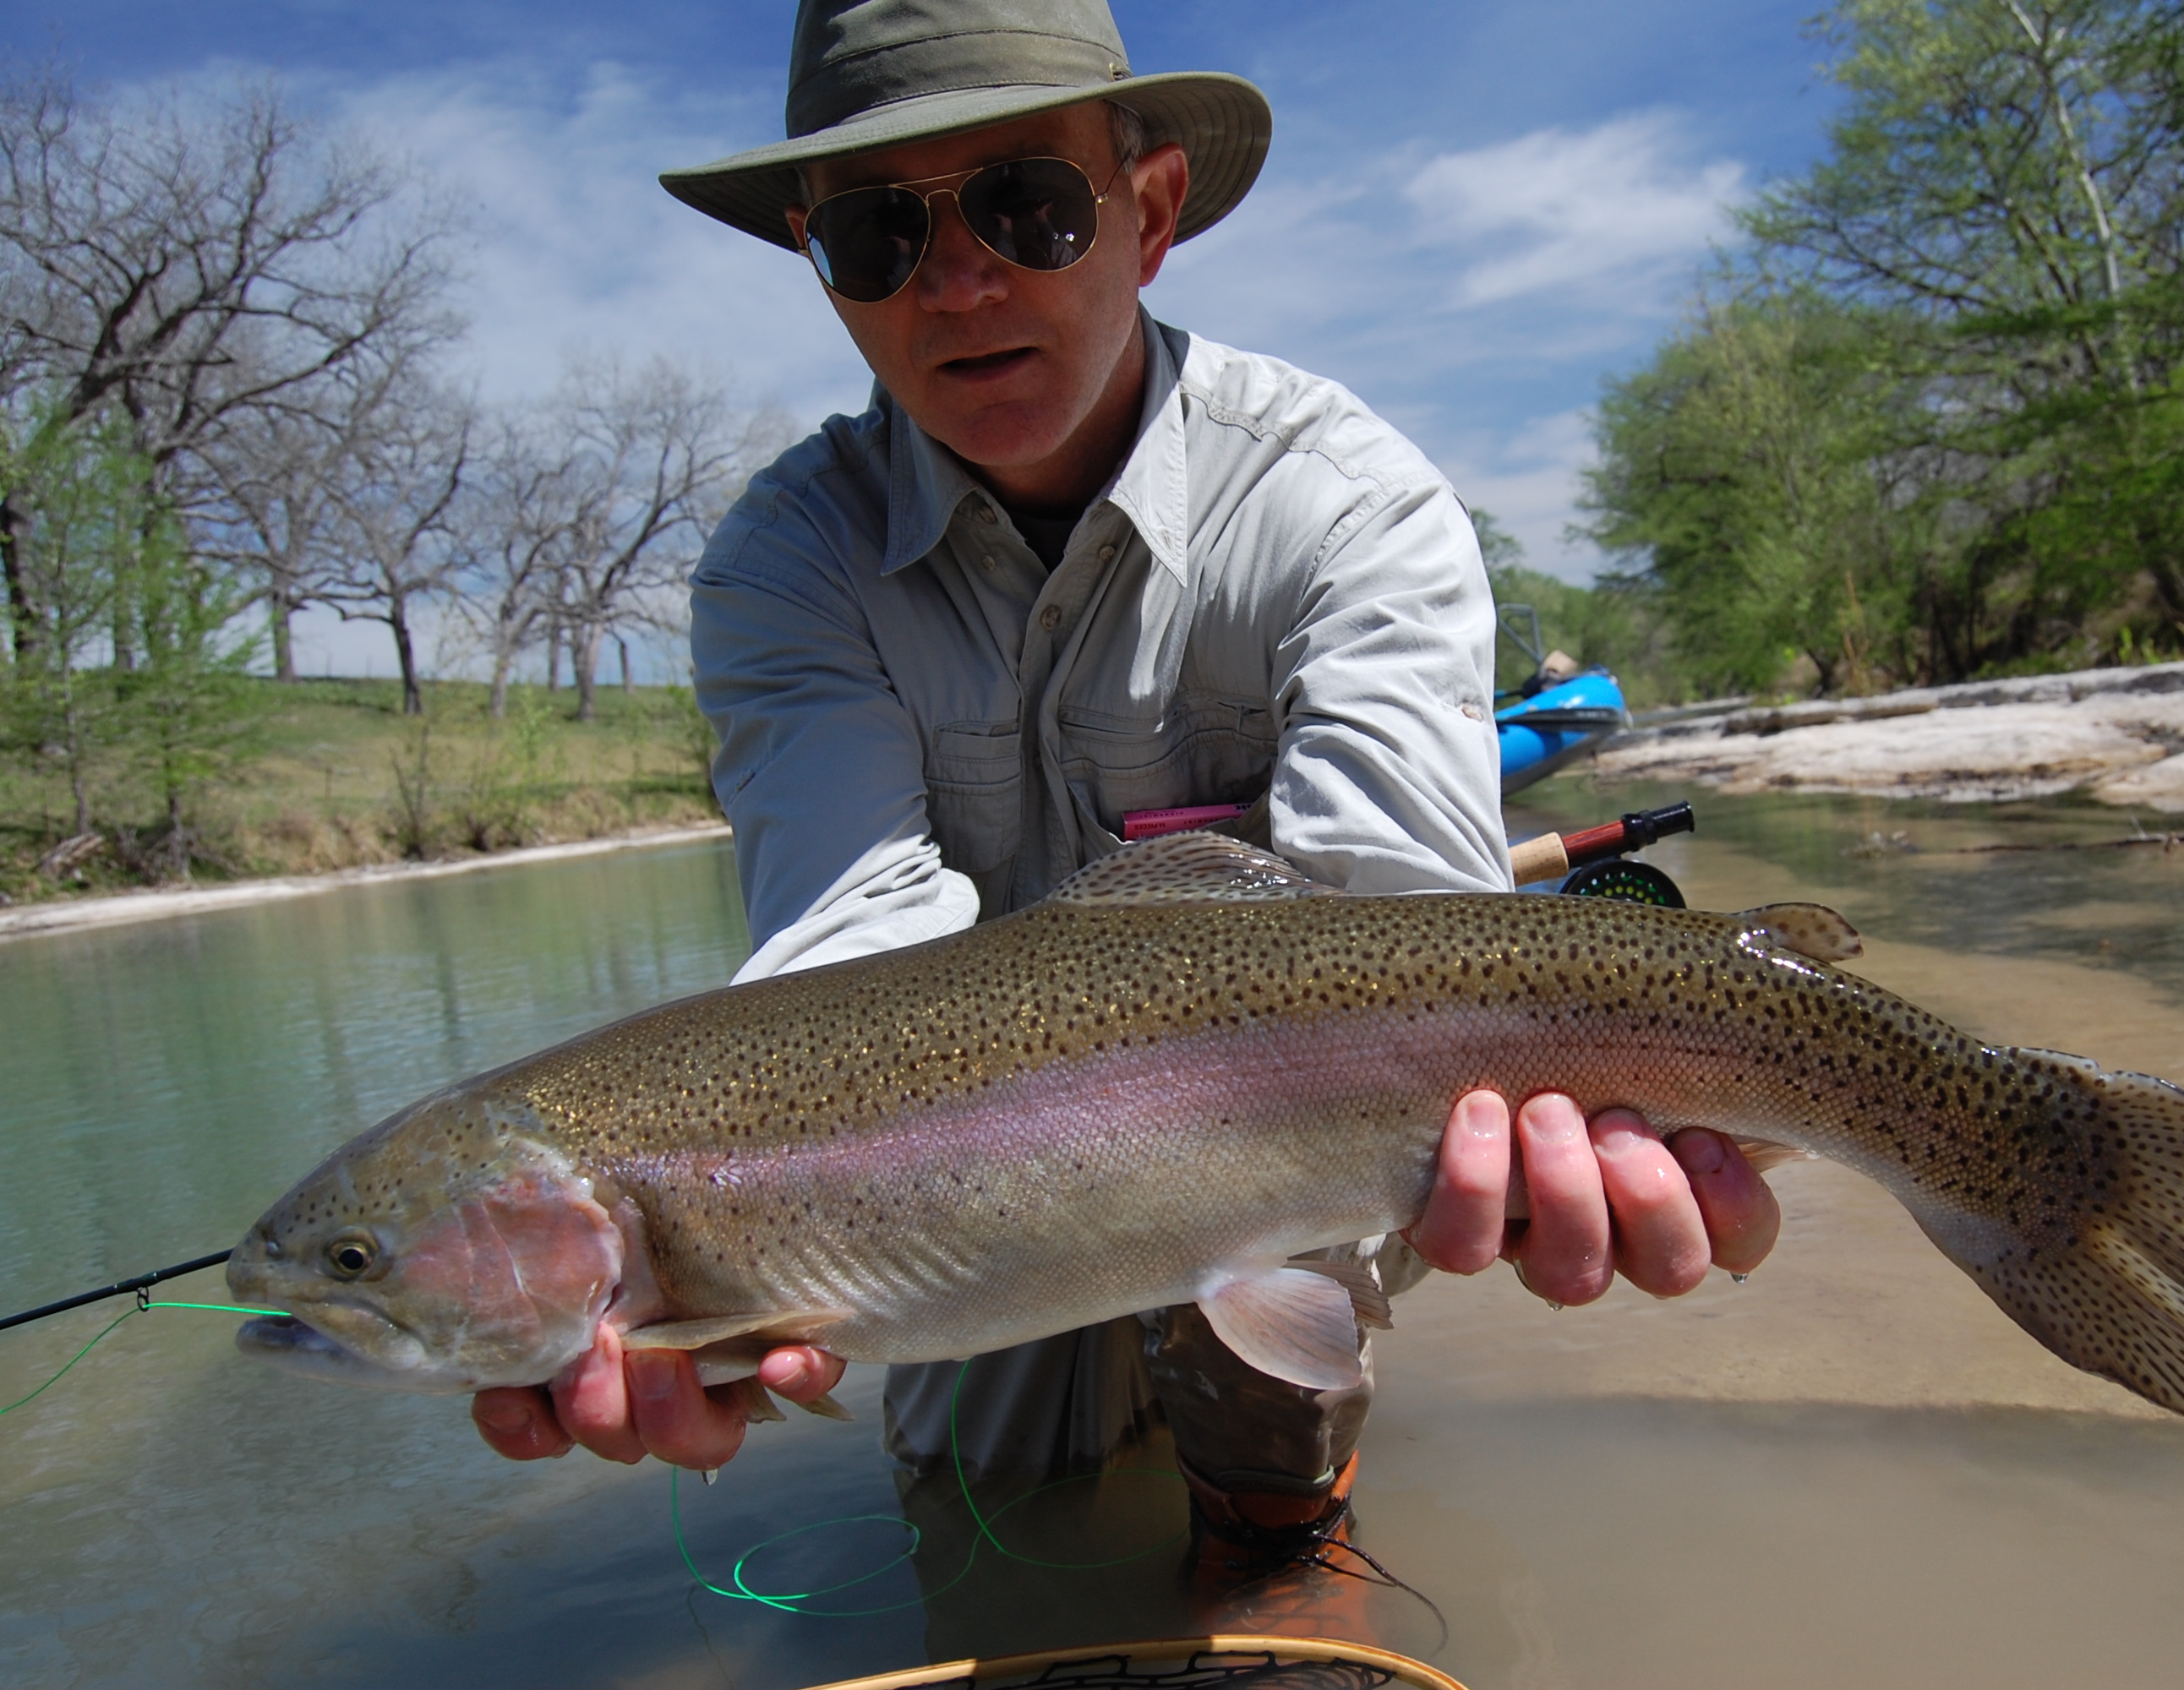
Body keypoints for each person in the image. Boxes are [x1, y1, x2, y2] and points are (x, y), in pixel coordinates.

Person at [469, 0, 1779, 1620]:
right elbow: (841, 952)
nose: (959, 282)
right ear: (819, 259)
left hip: (1303, 1113)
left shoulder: (1344, 501)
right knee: (981, 1502)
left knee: (1272, 1479)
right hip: (940, 1168)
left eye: (1027, 204)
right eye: (883, 233)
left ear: (1147, 213)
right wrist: (742, 1256)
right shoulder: (782, 564)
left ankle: (1280, 1534)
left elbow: (1414, 944)